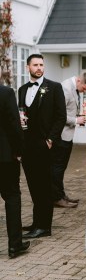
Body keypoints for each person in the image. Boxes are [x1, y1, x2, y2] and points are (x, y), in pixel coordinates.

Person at [19, 54, 66, 239]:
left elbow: (61, 116)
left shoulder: (54, 87)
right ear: (27, 67)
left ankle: (44, 226)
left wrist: (50, 139)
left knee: (44, 186)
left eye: (41, 65)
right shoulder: (22, 89)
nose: (39, 68)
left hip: (45, 145)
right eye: (35, 65)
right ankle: (36, 222)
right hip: (27, 145)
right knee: (33, 185)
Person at [52, 72, 86, 208]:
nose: (84, 91)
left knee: (62, 167)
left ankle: (61, 195)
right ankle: (56, 198)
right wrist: (76, 120)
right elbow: (58, 114)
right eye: (85, 88)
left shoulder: (74, 88)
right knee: (57, 168)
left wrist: (78, 117)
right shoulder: (64, 88)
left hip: (68, 135)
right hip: (61, 136)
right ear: (79, 81)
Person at [0, 74, 30, 258]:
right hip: (4, 156)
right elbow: (14, 124)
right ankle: (14, 245)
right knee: (12, 197)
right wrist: (19, 151)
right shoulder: (6, 93)